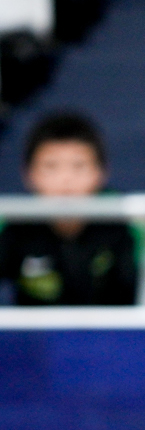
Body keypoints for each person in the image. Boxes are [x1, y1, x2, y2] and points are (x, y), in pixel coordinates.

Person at [0, 109, 137, 306]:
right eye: (51, 166)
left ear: (102, 173)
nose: (66, 179)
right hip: (35, 337)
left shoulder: (125, 227)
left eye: (78, 166)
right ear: (29, 174)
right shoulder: (15, 228)